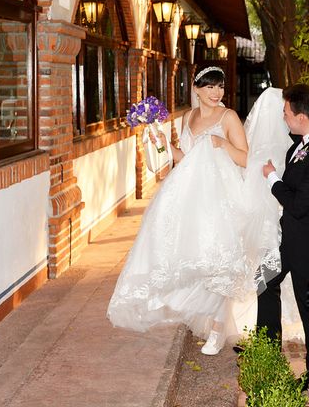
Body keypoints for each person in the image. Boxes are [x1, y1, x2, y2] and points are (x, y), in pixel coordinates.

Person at [107, 66, 293, 355]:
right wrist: (164, 145)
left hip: (221, 196)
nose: (216, 93)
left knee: (219, 261)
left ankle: (218, 330)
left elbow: (246, 159)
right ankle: (202, 315)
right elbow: (184, 158)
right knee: (192, 256)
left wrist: (221, 145)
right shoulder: (187, 117)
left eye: (220, 87)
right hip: (190, 196)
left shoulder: (228, 117)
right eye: (210, 87)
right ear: (196, 88)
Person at [258, 83, 309, 391]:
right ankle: (265, 350)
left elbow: (297, 203)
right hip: (290, 235)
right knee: (263, 279)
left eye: (285, 113)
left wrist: (271, 178)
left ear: (300, 115)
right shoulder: (305, 140)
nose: (283, 118)